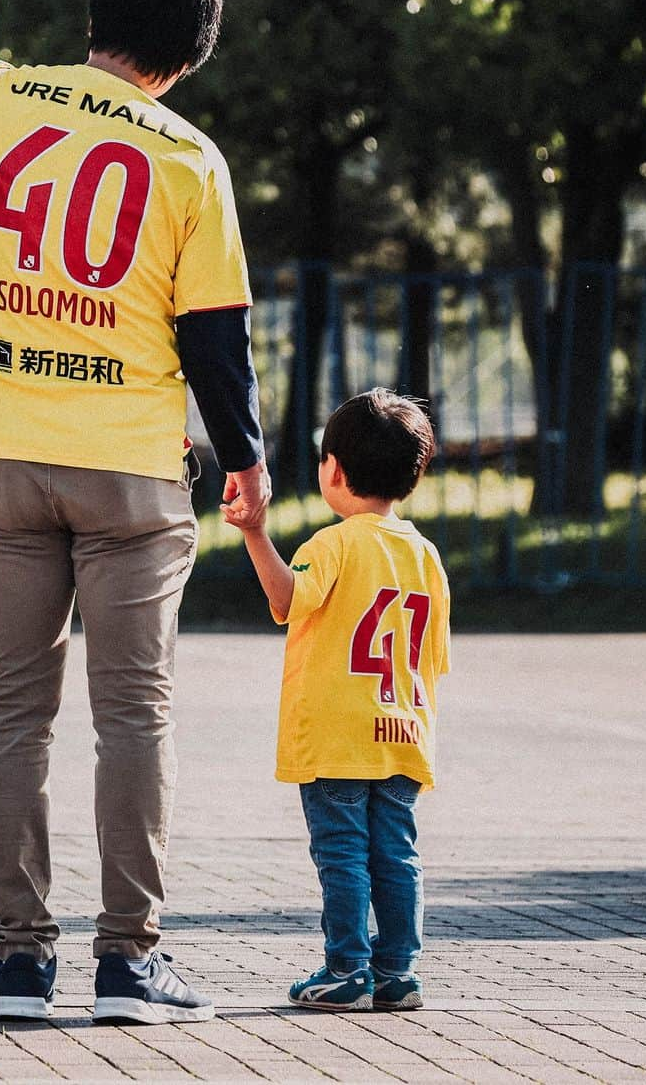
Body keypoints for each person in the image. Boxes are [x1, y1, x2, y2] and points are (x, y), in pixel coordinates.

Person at [0, 0, 270, 1024]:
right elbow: (217, 344)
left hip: (5, 451)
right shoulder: (189, 160)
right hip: (129, 470)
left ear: (95, 15)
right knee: (134, 716)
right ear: (192, 51)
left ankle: (18, 961)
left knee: (10, 711)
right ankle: (129, 960)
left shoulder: (1, 99)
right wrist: (249, 468)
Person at [223, 388, 450, 1012]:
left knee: (344, 854)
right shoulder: (427, 556)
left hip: (336, 734)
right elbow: (434, 660)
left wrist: (254, 534)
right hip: (402, 729)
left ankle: (347, 969)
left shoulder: (331, 545)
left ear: (334, 469)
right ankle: (398, 972)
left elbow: (287, 600)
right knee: (397, 854)